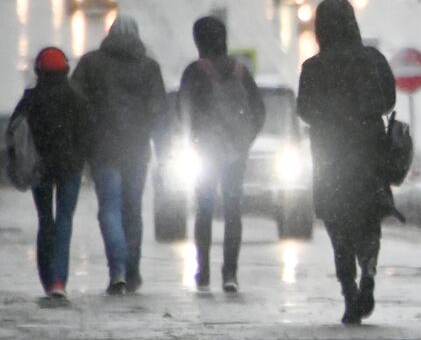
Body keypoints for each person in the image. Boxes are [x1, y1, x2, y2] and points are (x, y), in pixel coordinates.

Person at [296, 0, 396, 325]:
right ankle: (368, 272)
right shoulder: (373, 60)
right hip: (369, 154)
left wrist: (332, 116)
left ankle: (349, 290)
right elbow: (389, 100)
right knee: (369, 220)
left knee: (338, 225)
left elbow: (304, 110)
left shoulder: (313, 67)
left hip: (331, 157)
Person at [71, 16, 167, 295]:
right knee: (132, 210)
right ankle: (132, 270)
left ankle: (118, 271)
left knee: (109, 209)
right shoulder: (149, 67)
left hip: (103, 149)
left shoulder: (91, 64)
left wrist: (82, 140)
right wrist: (163, 149)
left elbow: (75, 104)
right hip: (136, 150)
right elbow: (159, 112)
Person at [178, 16, 265, 293]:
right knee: (232, 211)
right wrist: (244, 140)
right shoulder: (241, 71)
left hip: (206, 152)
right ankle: (230, 274)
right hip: (236, 152)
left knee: (204, 210)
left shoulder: (194, 72)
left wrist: (194, 139)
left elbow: (182, 110)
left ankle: (203, 272)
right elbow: (259, 111)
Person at [10, 48, 90, 300]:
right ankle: (58, 280)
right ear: (65, 69)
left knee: (45, 220)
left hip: (40, 168)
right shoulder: (76, 98)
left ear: (38, 70)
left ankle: (47, 279)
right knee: (64, 220)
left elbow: (14, 132)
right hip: (70, 167)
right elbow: (87, 134)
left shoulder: (31, 99)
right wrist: (81, 159)